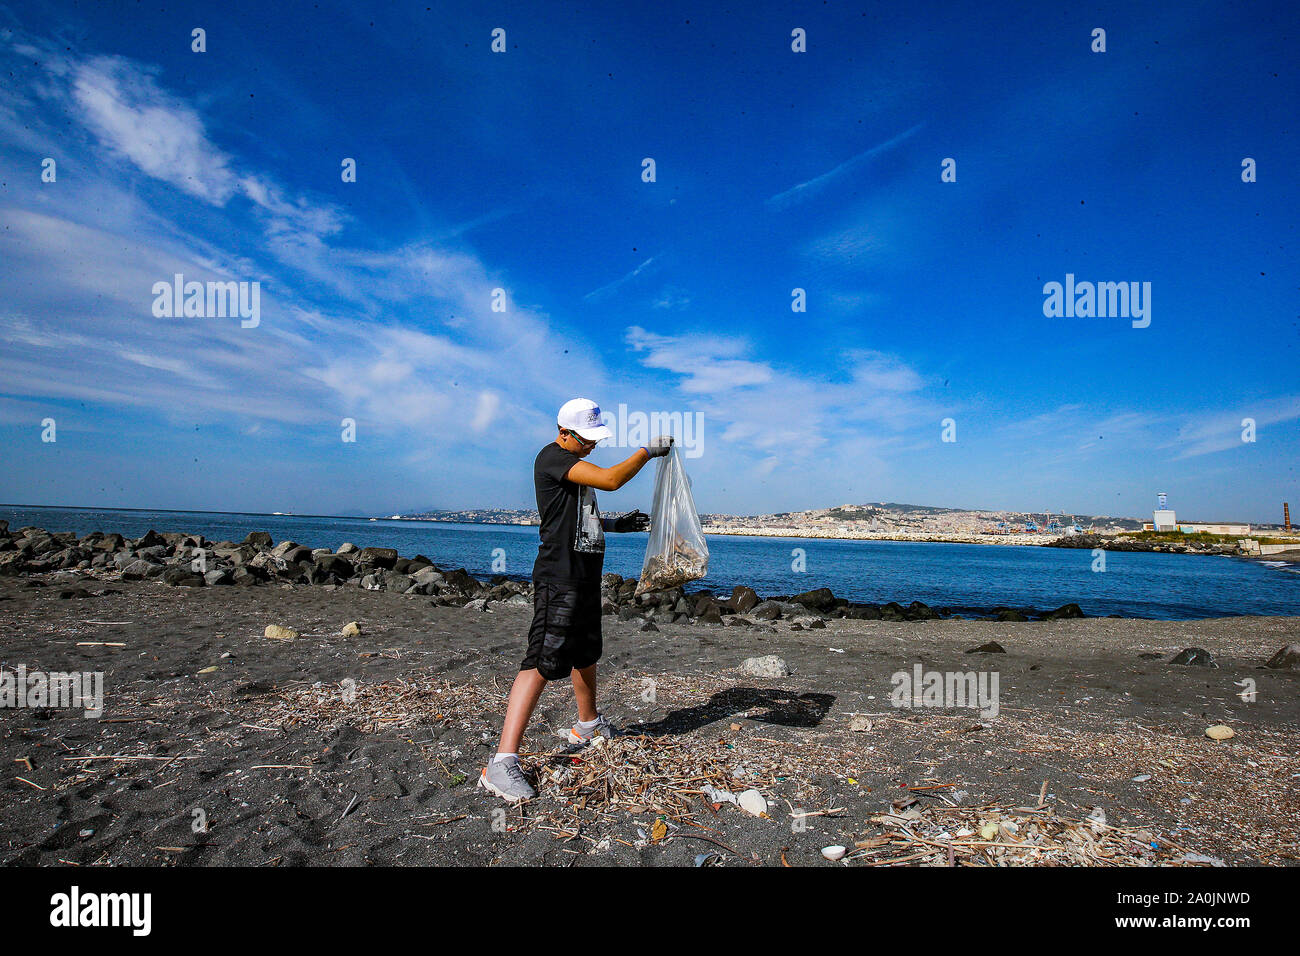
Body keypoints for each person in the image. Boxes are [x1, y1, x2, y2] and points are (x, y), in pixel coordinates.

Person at [479, 398, 673, 802]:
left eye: (595, 440)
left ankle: (587, 725)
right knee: (542, 660)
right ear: (564, 433)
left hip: (584, 575)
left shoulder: (573, 463)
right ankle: (501, 762)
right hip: (559, 577)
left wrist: (617, 525)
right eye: (586, 440)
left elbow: (577, 516)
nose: (592, 447)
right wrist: (647, 452)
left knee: (585, 651)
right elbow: (611, 480)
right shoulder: (550, 458)